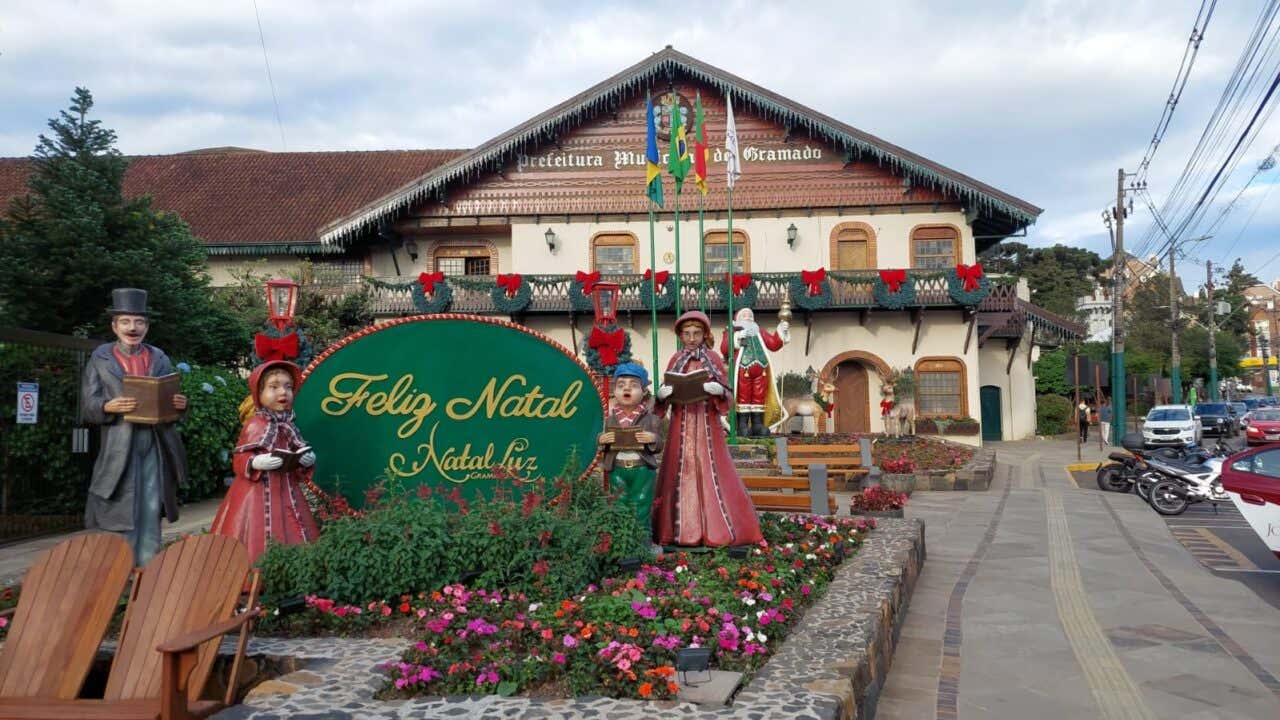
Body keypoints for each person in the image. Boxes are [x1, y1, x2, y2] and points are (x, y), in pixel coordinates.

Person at [82, 288, 189, 566]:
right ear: (115, 325)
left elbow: (172, 401)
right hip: (120, 444)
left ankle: (148, 571)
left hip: (155, 442)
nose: (133, 328)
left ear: (147, 326)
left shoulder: (159, 358)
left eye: (139, 322)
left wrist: (180, 405)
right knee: (120, 506)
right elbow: (87, 406)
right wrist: (108, 406)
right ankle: (118, 574)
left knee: (151, 504)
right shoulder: (101, 358)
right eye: (126, 321)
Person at [653, 310, 763, 548]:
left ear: (704, 334)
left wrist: (719, 390)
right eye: (687, 333)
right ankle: (676, 531)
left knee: (710, 468)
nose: (691, 338)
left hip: (706, 425)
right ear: (680, 335)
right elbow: (665, 389)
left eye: (696, 333)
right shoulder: (676, 359)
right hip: (681, 423)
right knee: (678, 469)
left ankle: (717, 528)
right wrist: (662, 396)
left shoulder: (712, 358)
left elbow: (727, 392)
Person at [210, 360, 320, 564]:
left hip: (286, 491)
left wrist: (305, 460)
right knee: (253, 537)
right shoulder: (255, 424)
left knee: (294, 528)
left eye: (288, 387)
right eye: (274, 386)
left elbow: (297, 454)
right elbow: (239, 458)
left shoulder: (289, 425)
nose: (283, 392)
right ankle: (252, 575)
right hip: (255, 494)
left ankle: (296, 570)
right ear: (258, 393)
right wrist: (255, 462)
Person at [597, 362, 662, 543]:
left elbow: (659, 443)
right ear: (614, 391)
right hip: (617, 468)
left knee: (641, 504)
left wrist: (652, 438)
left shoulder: (651, 419)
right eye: (621, 385)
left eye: (633, 385)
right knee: (619, 503)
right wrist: (601, 440)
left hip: (642, 468)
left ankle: (643, 542)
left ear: (643, 391)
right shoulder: (610, 419)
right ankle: (622, 542)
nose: (627, 389)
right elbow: (601, 441)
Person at [720, 307, 790, 437]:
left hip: (761, 370)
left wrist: (781, 331)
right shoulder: (732, 331)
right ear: (737, 319)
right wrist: (737, 337)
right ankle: (742, 425)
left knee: (759, 396)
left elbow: (773, 344)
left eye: (750, 314)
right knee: (743, 396)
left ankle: (758, 424)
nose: (748, 316)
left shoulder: (759, 332)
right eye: (744, 314)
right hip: (742, 370)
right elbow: (724, 348)